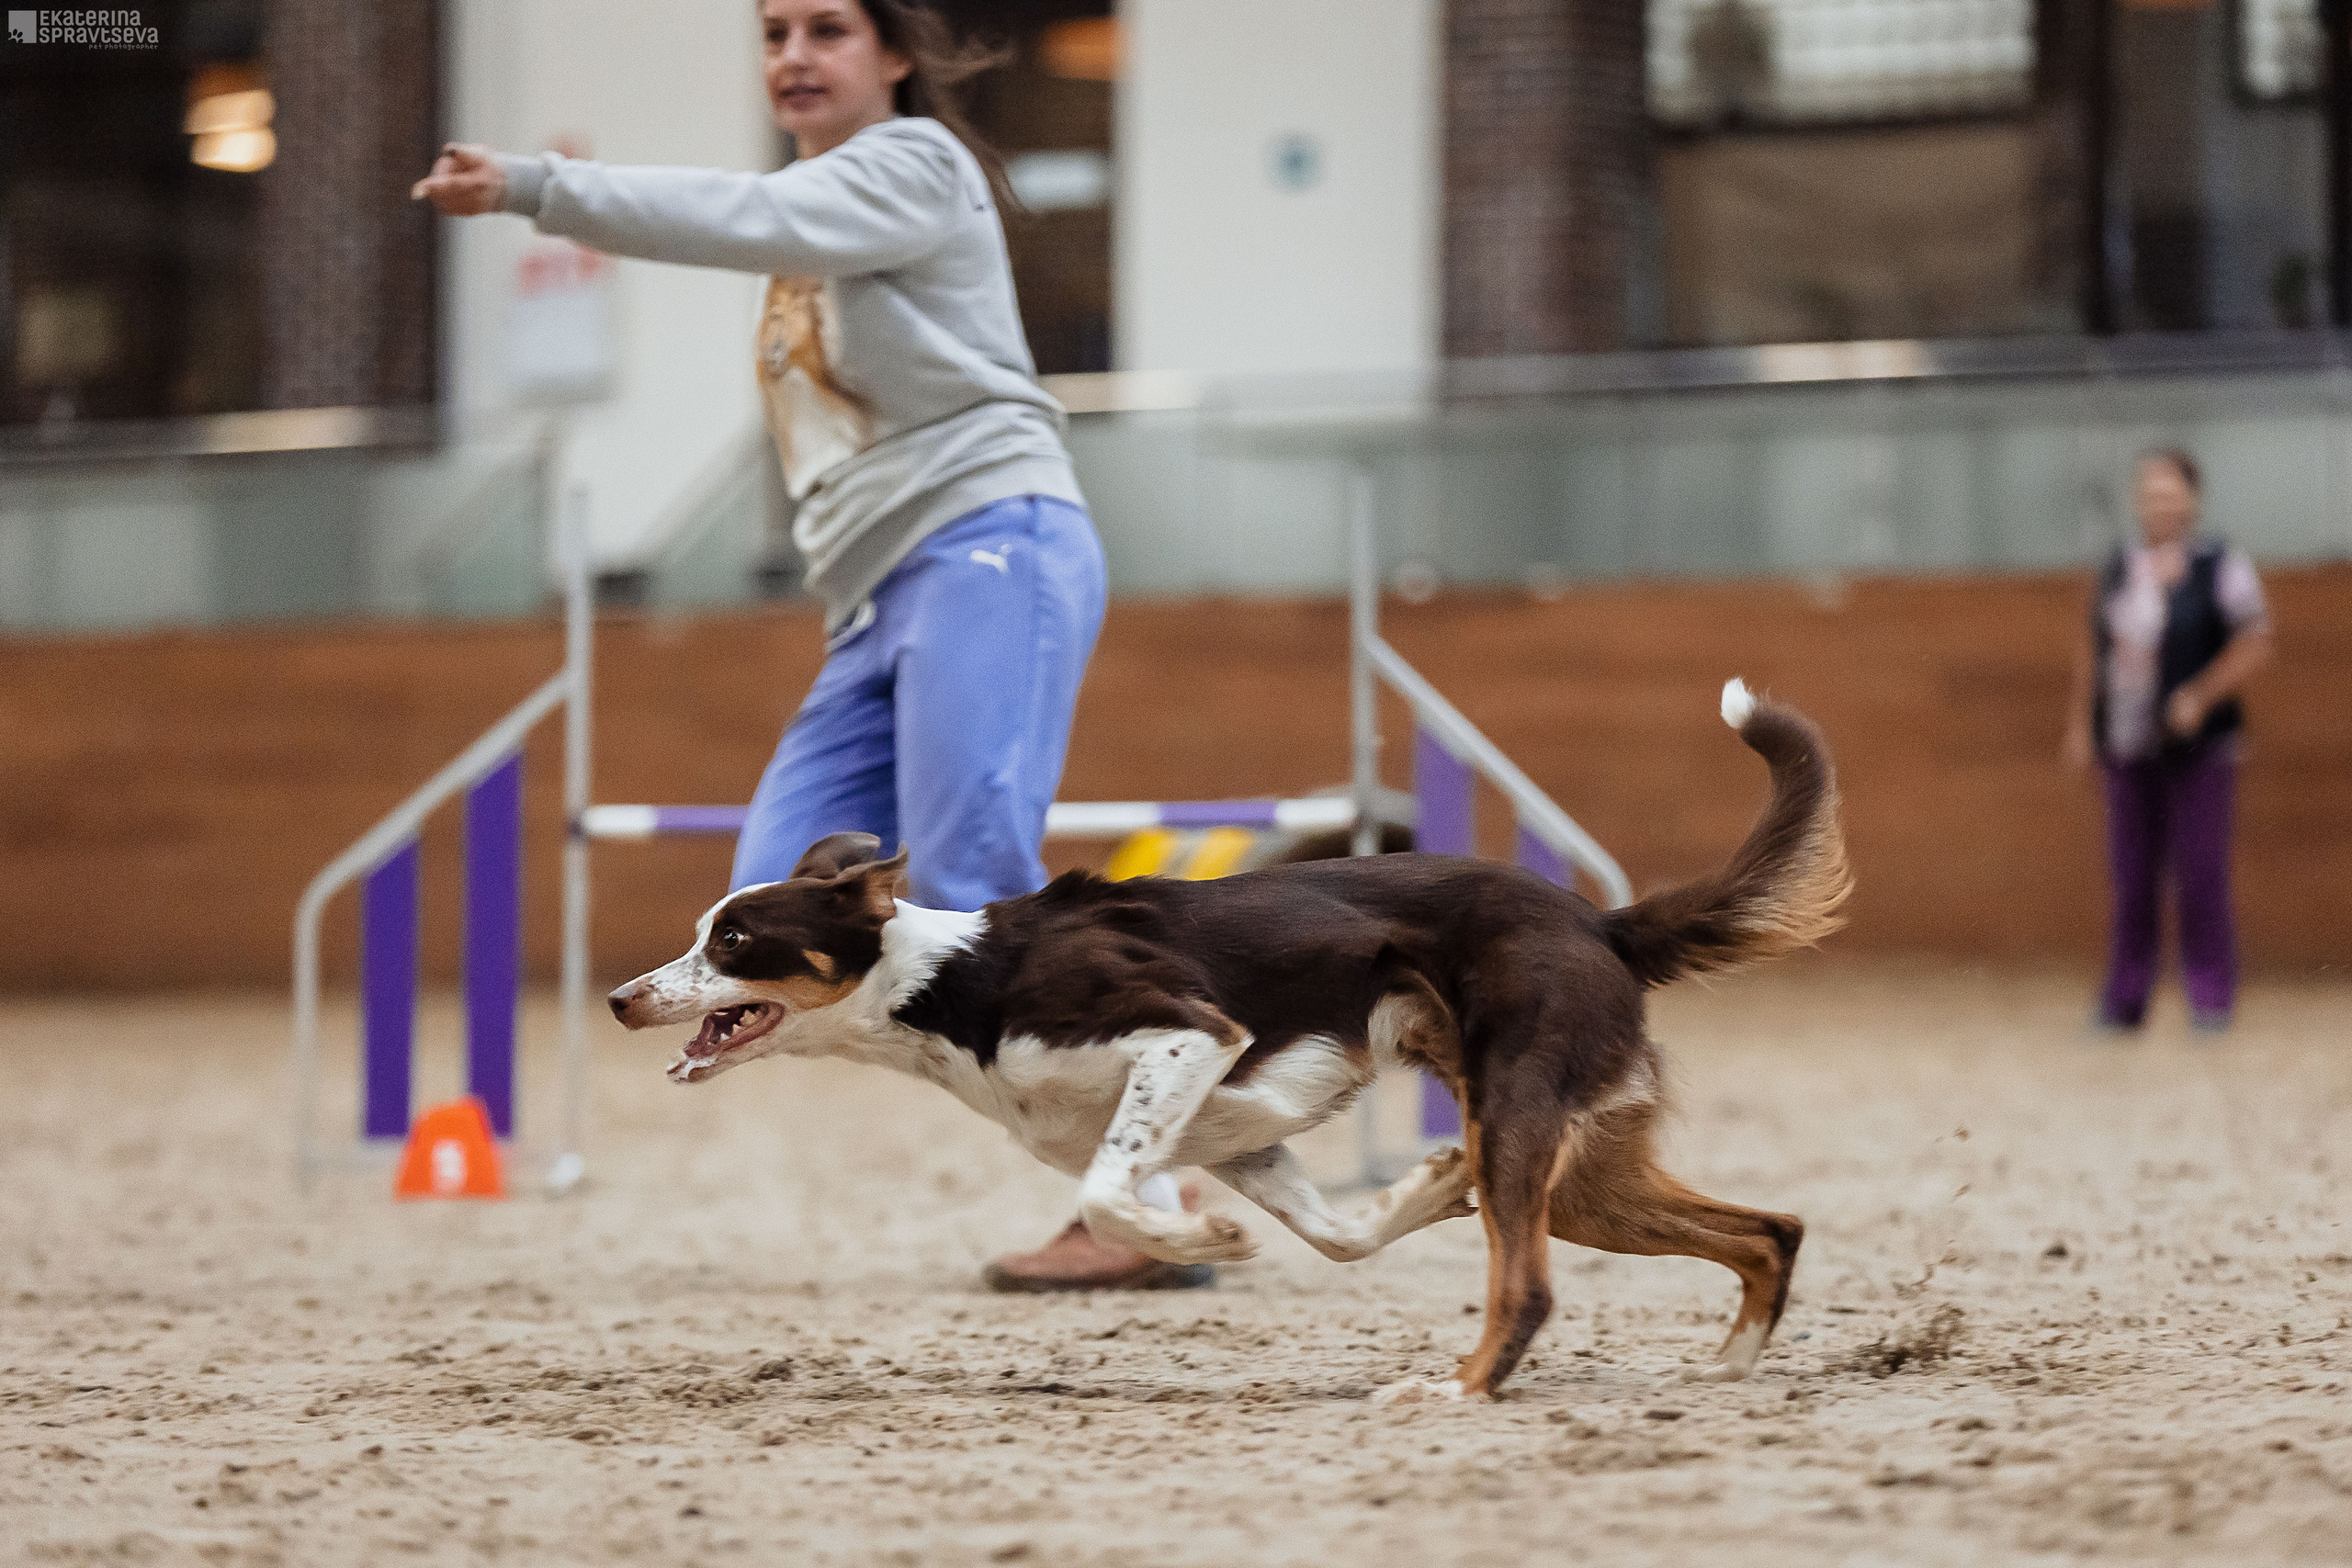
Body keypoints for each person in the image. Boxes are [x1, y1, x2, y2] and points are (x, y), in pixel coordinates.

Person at [414, 0, 1207, 1290]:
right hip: (874, 600)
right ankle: (1145, 1130)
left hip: (991, 544)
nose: (792, 54)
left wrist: (535, 186)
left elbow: (746, 214)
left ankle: (1143, 1199)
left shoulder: (912, 166)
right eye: (774, 31)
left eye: (827, 29)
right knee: (772, 902)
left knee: (979, 878)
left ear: (893, 54)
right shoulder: (819, 230)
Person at [2063, 447, 2273, 1034]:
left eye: (2169, 492)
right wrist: (2082, 725)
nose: (2159, 503)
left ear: (2192, 500)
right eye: (2150, 493)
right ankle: (2125, 1001)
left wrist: (2199, 696)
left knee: (2200, 874)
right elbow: (2095, 648)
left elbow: (2256, 640)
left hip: (2200, 748)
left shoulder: (2219, 564)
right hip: (2128, 745)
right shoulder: (2119, 566)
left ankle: (2210, 999)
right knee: (2131, 879)